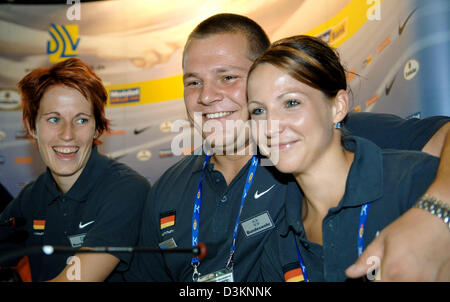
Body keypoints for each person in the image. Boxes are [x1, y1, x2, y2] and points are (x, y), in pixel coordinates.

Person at [126, 13, 450, 282]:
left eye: (226, 77)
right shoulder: (167, 190)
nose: (206, 96)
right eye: (193, 81)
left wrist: (435, 216)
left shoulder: (316, 139)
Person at [247, 35, 447, 281]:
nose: (270, 127)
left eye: (291, 103)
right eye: (258, 110)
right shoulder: (279, 246)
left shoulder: (415, 182)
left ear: (337, 107)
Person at [0, 58, 151, 282]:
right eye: (53, 119)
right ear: (32, 127)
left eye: (81, 120)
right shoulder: (31, 197)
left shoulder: (127, 189)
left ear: (97, 128)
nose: (67, 134)